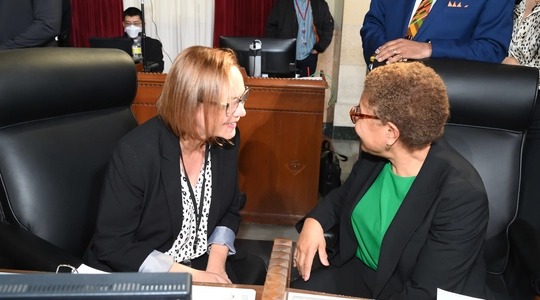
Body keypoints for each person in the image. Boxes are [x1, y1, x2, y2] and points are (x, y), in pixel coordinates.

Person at [290, 62, 493, 299]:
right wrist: (314, 222)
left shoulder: (462, 196)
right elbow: (343, 196)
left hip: (407, 289)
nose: (354, 122)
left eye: (360, 113)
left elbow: (425, 293)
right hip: (361, 273)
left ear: (391, 133)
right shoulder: (375, 156)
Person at [84, 46, 252, 284]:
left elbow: (231, 208)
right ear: (192, 104)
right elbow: (113, 246)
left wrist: (215, 267)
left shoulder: (227, 139)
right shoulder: (135, 154)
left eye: (242, 98)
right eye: (231, 104)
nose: (242, 112)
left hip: (203, 264)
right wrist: (194, 278)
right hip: (137, 273)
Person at [360, 0, 514, 65]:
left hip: (445, 108)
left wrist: (429, 49)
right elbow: (373, 24)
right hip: (383, 97)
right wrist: (384, 56)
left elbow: (491, 48)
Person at [266, 0, 334, 77]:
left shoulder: (320, 4)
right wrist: (279, 50)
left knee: (305, 88)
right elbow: (271, 27)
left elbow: (328, 27)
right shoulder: (282, 3)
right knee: (286, 88)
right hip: (287, 58)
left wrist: (319, 48)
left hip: (309, 58)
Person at [121, 7, 164, 73]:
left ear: (143, 25)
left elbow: (159, 67)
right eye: (128, 23)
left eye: (136, 23)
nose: (132, 27)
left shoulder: (154, 44)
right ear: (123, 24)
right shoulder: (117, 44)